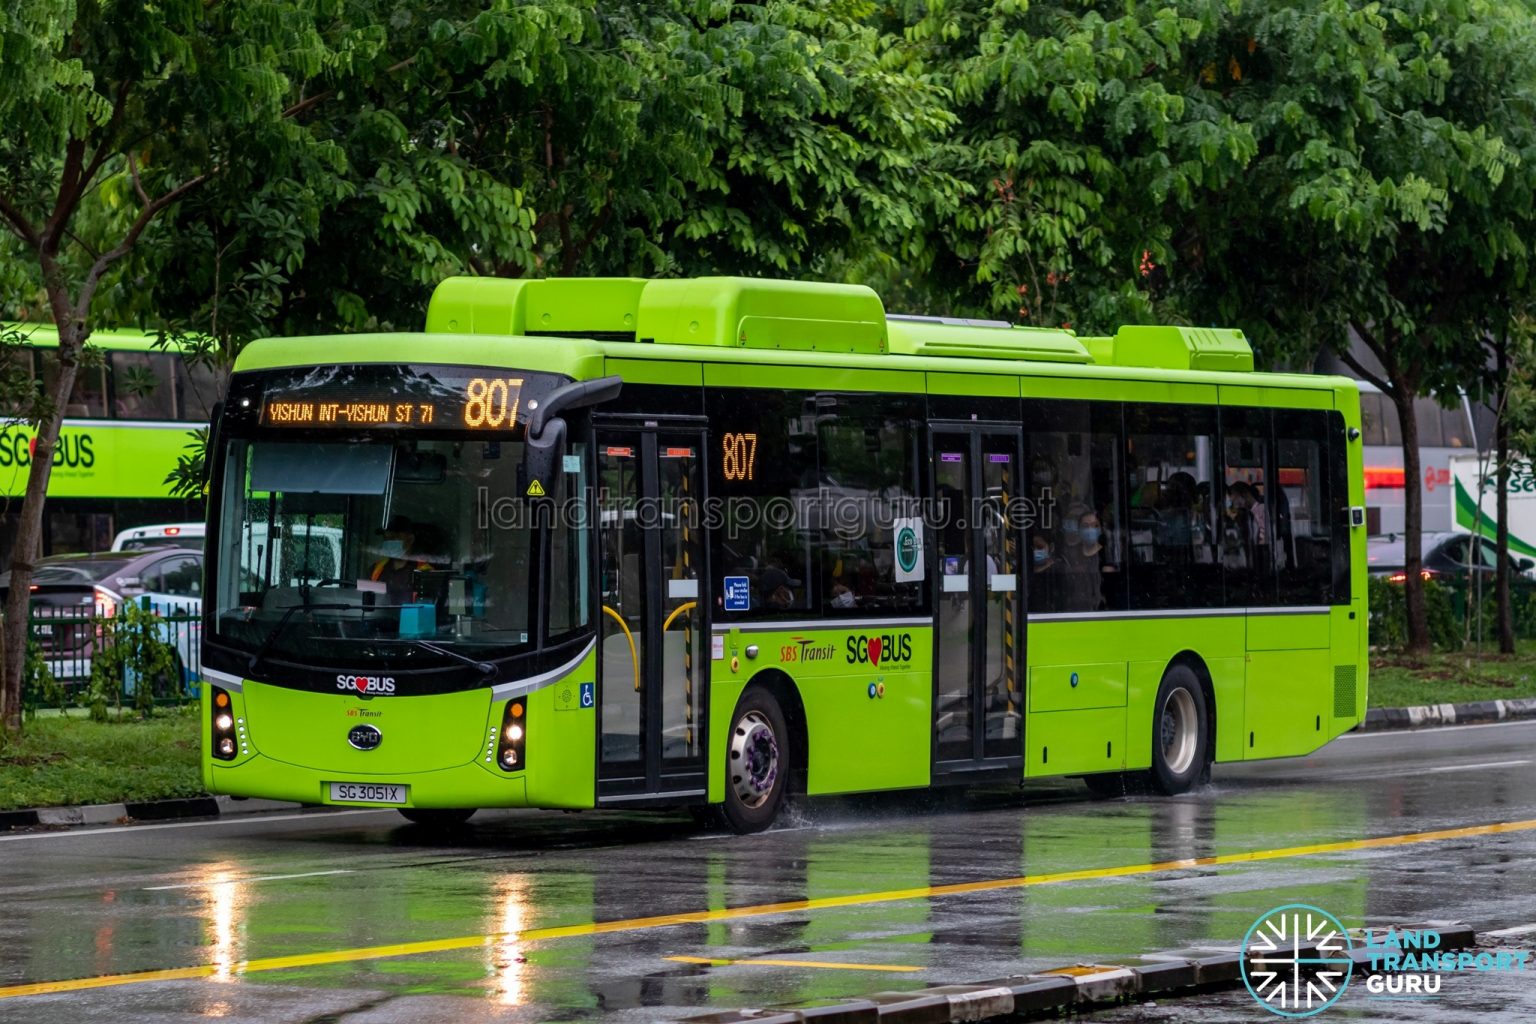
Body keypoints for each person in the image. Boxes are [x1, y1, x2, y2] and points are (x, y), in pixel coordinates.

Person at [370, 515, 433, 604]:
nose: (389, 543)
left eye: (394, 538)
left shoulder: (425, 572)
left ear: (410, 539)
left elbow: (425, 609)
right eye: (386, 538)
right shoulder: (376, 569)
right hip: (378, 617)